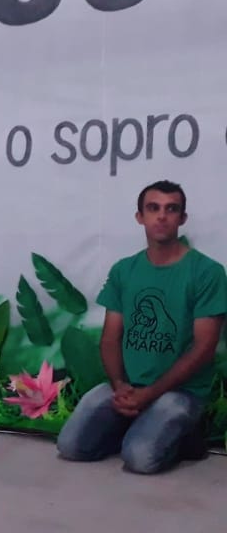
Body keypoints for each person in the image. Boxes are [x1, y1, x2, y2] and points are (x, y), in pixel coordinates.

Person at [56, 180, 227, 474]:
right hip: (129, 386)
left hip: (181, 392)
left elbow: (204, 348)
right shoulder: (124, 270)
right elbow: (110, 339)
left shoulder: (207, 272)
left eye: (171, 209)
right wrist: (119, 386)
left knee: (140, 459)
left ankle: (186, 436)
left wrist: (150, 394)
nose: (162, 216)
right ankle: (141, 423)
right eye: (153, 208)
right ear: (140, 217)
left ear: (182, 218)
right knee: (71, 447)